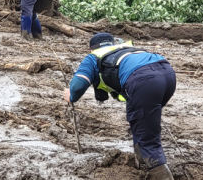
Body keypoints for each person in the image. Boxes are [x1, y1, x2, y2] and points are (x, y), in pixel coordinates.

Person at [64, 33, 177, 180]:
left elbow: (79, 85)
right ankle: (142, 163)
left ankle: (160, 173)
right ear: (113, 43)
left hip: (144, 80)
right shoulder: (126, 48)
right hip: (167, 73)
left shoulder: (93, 57)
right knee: (141, 120)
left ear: (91, 48)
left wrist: (70, 95)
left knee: (147, 135)